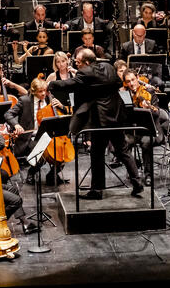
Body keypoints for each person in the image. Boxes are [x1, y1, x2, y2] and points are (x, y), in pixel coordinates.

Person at [48, 48, 143, 199]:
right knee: (122, 150)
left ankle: (97, 190)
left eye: (78, 62)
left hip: (101, 120)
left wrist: (51, 85)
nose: (76, 65)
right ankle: (137, 182)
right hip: (116, 115)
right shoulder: (109, 67)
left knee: (97, 153)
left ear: (86, 62)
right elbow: (118, 82)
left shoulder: (84, 73)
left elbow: (70, 84)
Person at [5, 77, 62, 185]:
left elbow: (59, 114)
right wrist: (16, 125)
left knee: (62, 150)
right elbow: (8, 114)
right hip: (31, 137)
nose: (43, 94)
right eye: (40, 91)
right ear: (33, 91)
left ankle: (52, 174)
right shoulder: (24, 101)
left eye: (45, 90)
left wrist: (60, 106)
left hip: (48, 135)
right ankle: (31, 172)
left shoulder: (49, 98)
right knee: (43, 150)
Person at [124, 69, 168, 186]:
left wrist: (147, 109)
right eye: (128, 81)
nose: (132, 84)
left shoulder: (149, 92)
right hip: (134, 130)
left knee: (145, 142)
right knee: (122, 143)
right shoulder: (125, 94)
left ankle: (148, 174)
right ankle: (134, 170)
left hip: (151, 130)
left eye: (133, 80)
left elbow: (157, 113)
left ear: (137, 77)